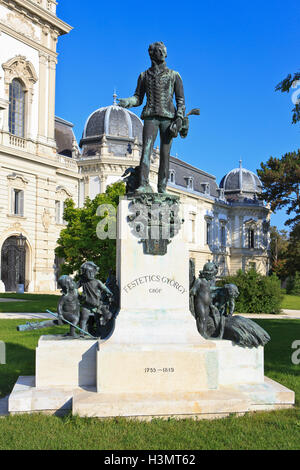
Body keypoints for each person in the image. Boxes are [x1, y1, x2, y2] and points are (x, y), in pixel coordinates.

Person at [118, 41, 185, 194]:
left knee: (165, 154)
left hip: (168, 118)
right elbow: (138, 98)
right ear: (153, 54)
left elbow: (181, 101)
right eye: (160, 51)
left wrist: (179, 118)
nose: (163, 54)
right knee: (146, 151)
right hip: (150, 116)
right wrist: (128, 102)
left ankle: (162, 188)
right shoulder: (144, 76)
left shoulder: (174, 75)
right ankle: (143, 184)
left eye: (164, 51)